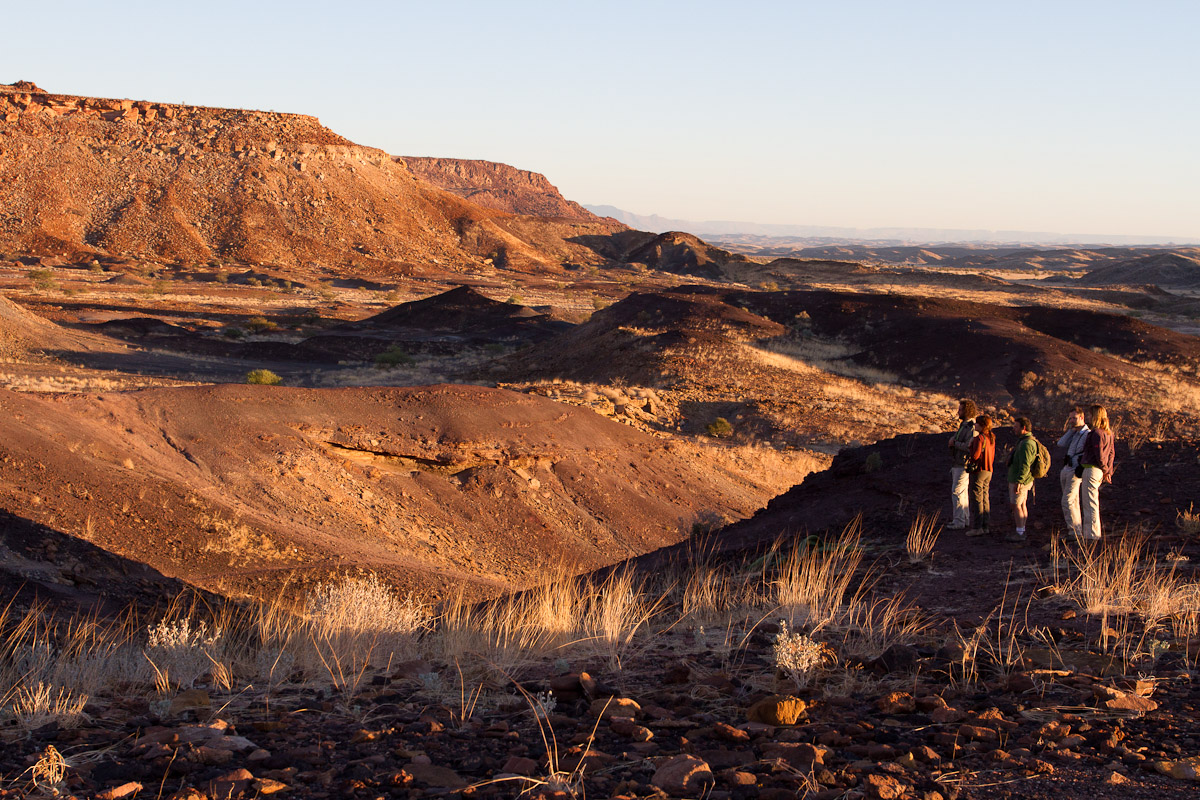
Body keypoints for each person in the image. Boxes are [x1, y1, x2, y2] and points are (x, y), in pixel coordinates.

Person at [1080, 405, 1115, 541]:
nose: (1088, 417)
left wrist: (1105, 469)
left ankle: (1092, 535)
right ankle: (1092, 533)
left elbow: (1099, 454)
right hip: (1100, 471)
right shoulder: (1109, 433)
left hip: (1091, 469)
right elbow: (1111, 453)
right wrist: (1108, 471)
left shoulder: (1096, 433)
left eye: (1090, 415)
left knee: (1089, 503)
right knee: (1092, 502)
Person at [1056, 406, 1091, 539]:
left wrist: (1082, 466)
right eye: (1070, 418)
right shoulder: (1074, 433)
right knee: (1073, 501)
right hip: (1067, 468)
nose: (1071, 421)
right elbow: (1061, 443)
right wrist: (1071, 430)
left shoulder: (1087, 434)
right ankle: (1076, 530)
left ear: (1082, 418)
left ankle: (1074, 531)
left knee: (1068, 500)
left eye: (1074, 418)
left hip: (1075, 469)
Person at [947, 399, 978, 530]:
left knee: (957, 492)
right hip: (958, 463)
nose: (958, 412)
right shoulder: (964, 426)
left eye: (960, 409)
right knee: (962, 492)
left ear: (967, 411)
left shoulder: (971, 427)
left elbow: (969, 446)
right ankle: (964, 519)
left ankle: (959, 521)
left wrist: (955, 444)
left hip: (963, 464)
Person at [1006, 417, 1037, 543]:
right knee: (1022, 504)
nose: (1014, 428)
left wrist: (1019, 481)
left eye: (1016, 426)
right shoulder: (1024, 441)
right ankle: (1021, 529)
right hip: (1022, 479)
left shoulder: (1027, 444)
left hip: (1020, 480)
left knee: (1016, 505)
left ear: (1023, 428)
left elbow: (1025, 465)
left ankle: (1020, 532)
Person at [965, 415, 996, 538]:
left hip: (979, 471)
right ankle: (985, 526)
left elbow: (975, 456)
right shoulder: (991, 438)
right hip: (989, 470)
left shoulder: (979, 439)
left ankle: (977, 527)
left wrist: (970, 446)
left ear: (982, 425)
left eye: (977, 424)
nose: (975, 426)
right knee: (985, 498)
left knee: (977, 499)